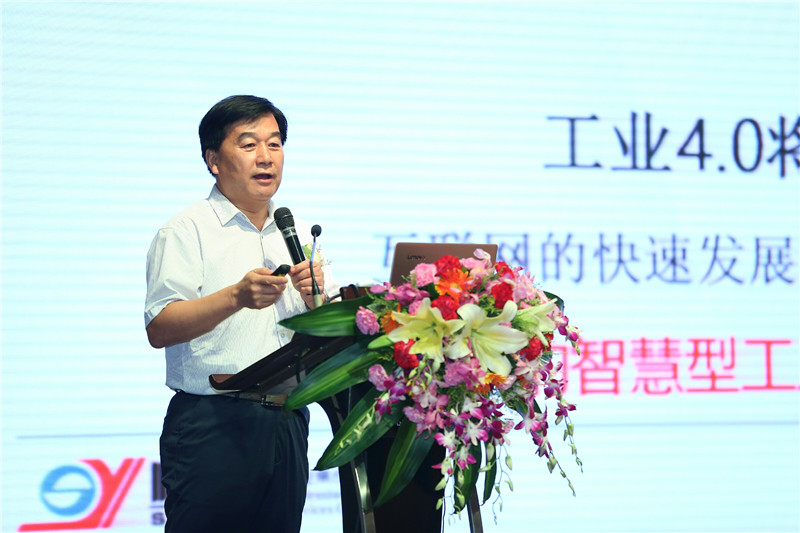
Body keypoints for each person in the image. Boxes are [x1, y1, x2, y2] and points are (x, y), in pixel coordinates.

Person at [144, 95, 337, 533]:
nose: (266, 157)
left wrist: (318, 304)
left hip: (288, 421)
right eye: (249, 145)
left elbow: (324, 338)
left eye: (275, 144)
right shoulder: (185, 231)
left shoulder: (297, 233)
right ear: (213, 160)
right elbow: (160, 327)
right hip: (213, 424)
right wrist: (235, 296)